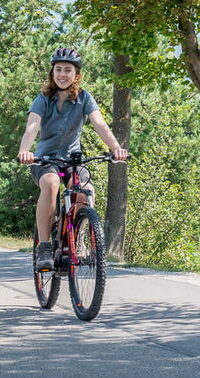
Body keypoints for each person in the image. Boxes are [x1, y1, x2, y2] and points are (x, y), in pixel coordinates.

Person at [17, 47, 128, 271]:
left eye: (68, 70)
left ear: (76, 75)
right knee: (50, 184)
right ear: (52, 73)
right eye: (58, 69)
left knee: (86, 190)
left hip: (72, 160)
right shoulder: (43, 99)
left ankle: (79, 240)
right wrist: (25, 151)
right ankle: (45, 246)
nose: (62, 74)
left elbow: (99, 124)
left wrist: (116, 148)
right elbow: (32, 126)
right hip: (44, 161)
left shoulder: (85, 98)